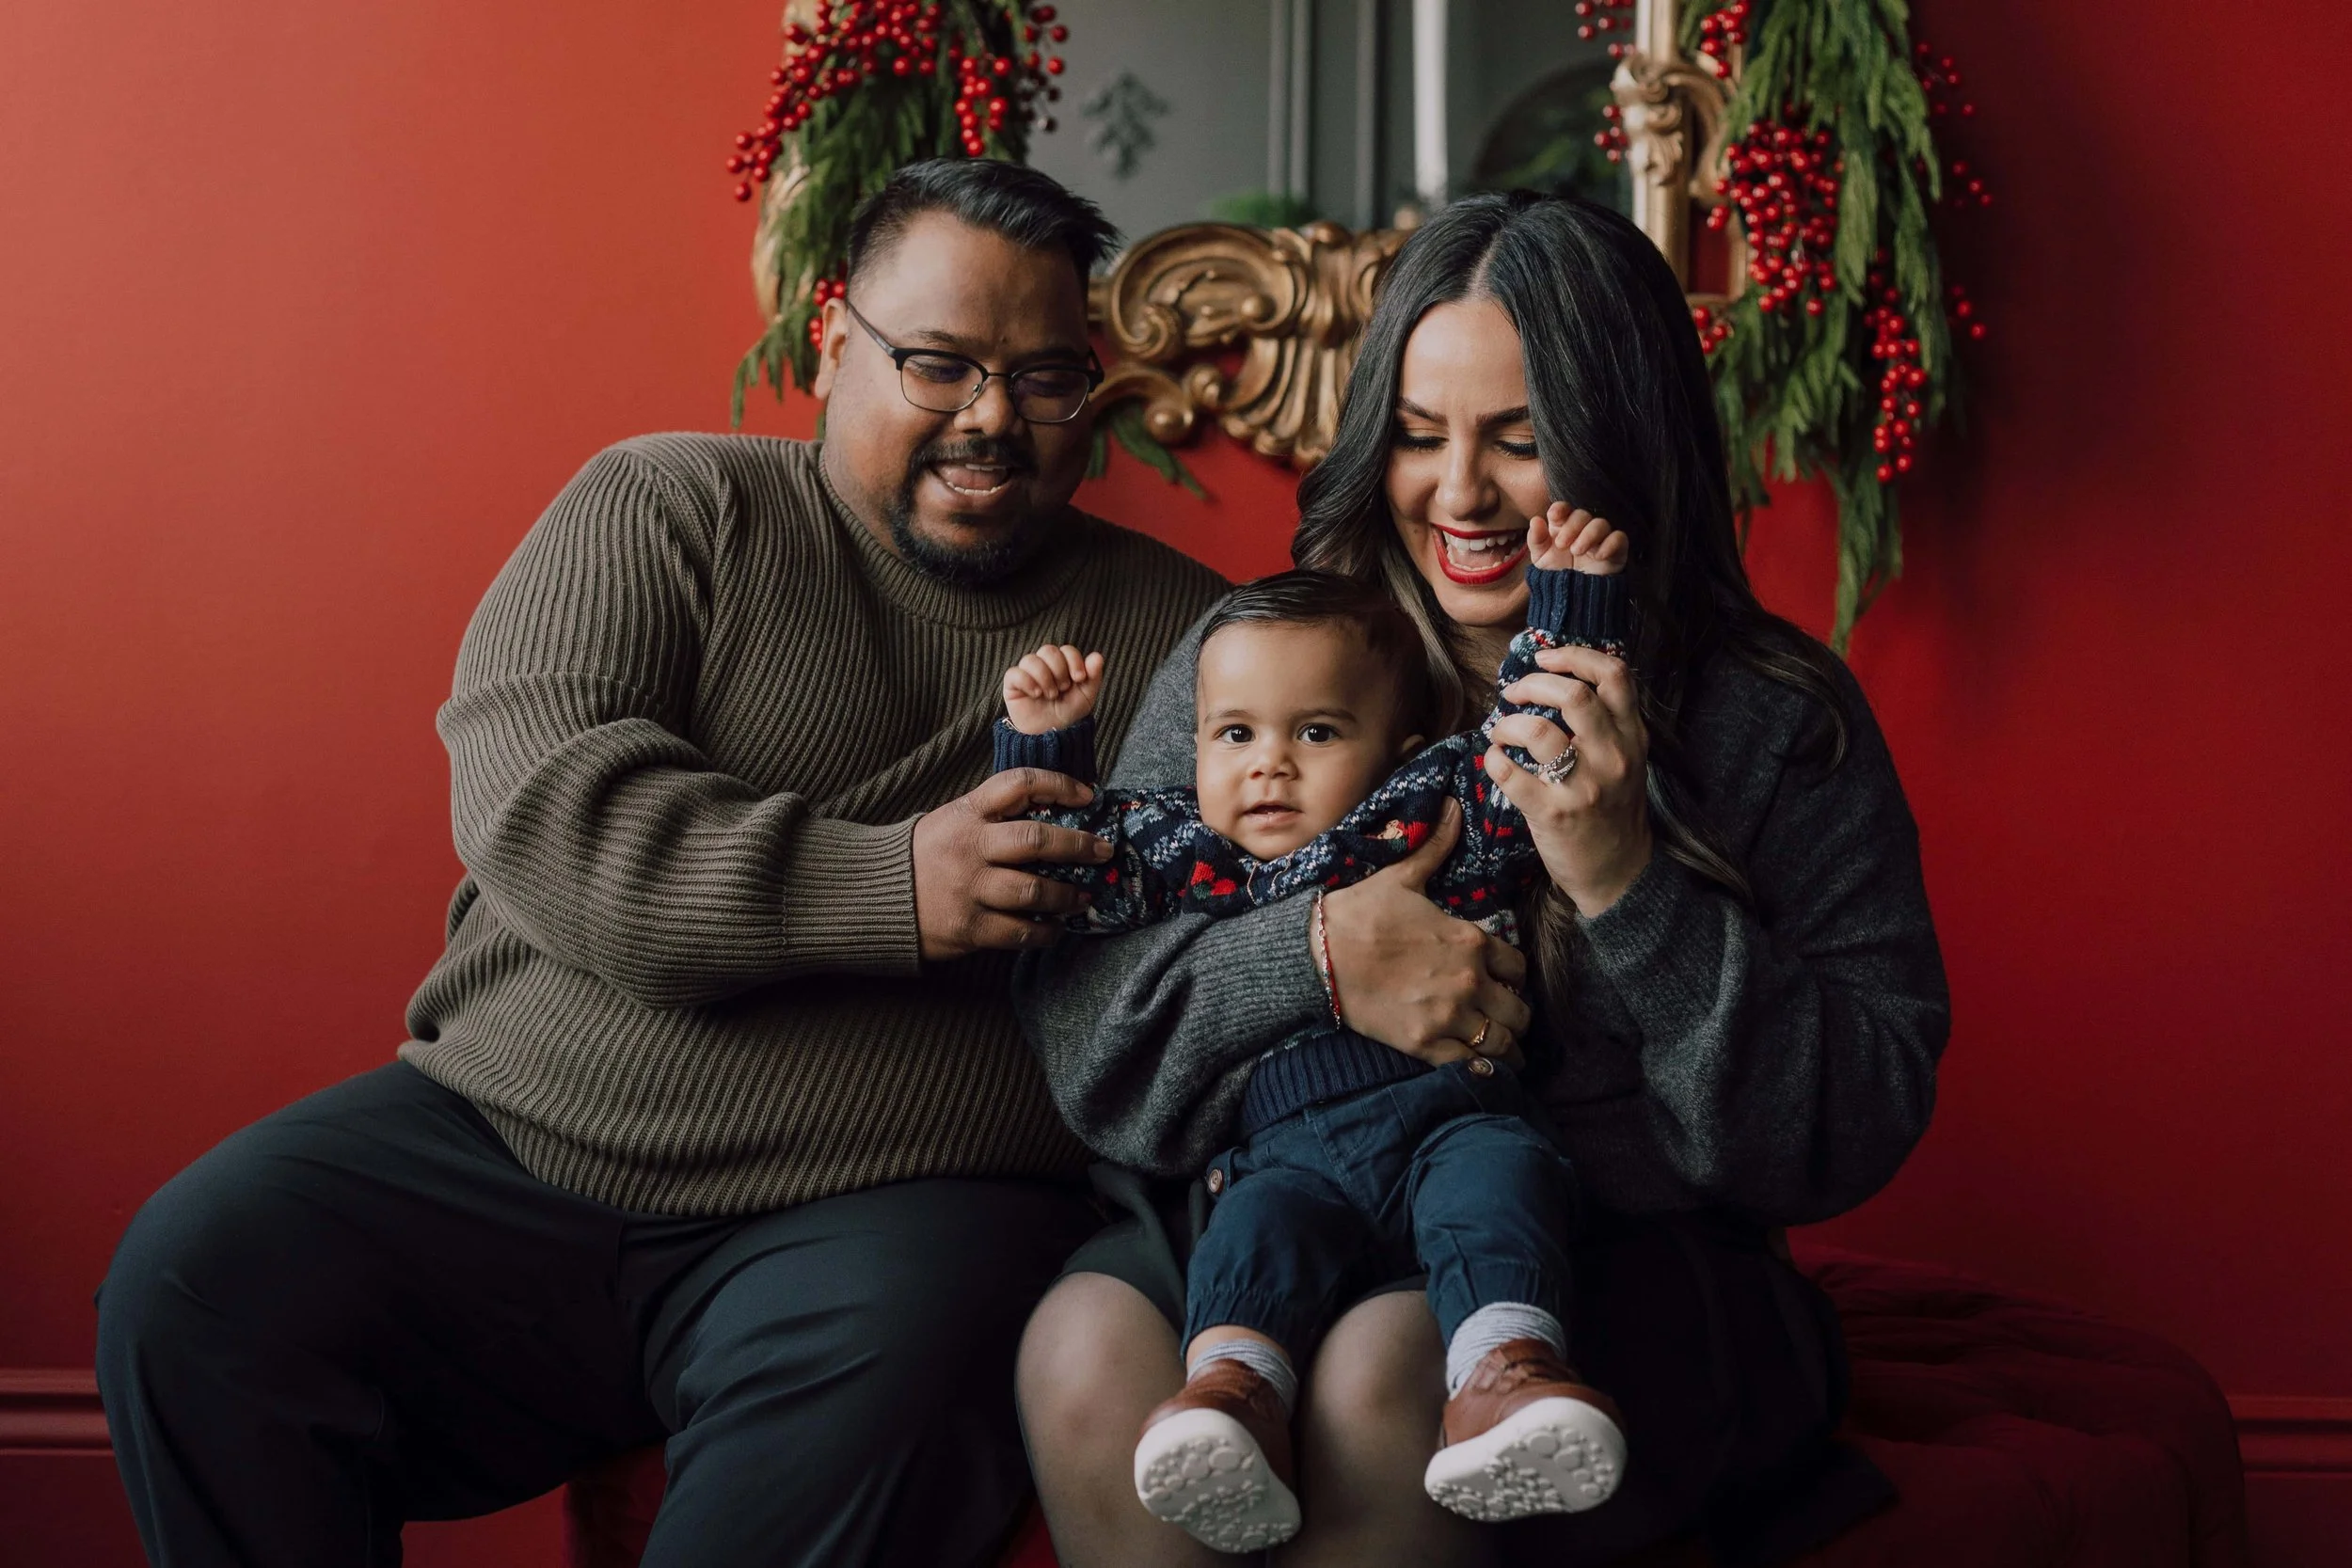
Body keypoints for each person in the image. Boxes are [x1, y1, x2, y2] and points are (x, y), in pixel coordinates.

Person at [92, 159, 1227, 1568]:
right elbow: (548, 804)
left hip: (892, 1213)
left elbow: (1222, 935)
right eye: (939, 364)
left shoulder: (1190, 632)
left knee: (906, 1368)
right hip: (511, 1143)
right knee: (200, 1271)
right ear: (832, 335)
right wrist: (892, 888)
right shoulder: (667, 507)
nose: (992, 418)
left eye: (1046, 377)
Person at [1012, 190, 1950, 1568]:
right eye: (1416, 433)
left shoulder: (1774, 718)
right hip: (1279, 1190)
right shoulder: (1262, 662)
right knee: (1083, 1350)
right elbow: (1093, 1039)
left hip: (1607, 1240)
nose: (1459, 494)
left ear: (1624, 444)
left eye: (1519, 442)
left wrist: (1628, 878)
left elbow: (1847, 1125)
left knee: (1383, 1372)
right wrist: (1318, 951)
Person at [996, 514, 1631, 1552]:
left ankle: (1506, 1378)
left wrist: (1570, 602)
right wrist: (1044, 741)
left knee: (1502, 1190)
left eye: (1317, 732)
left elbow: (1536, 730)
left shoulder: (1430, 812)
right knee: (1256, 1239)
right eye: (1234, 734)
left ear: (1396, 750)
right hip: (1283, 1147)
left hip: (1449, 1110)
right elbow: (1073, 867)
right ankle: (1232, 1392)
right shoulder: (1192, 849)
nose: (1269, 768)